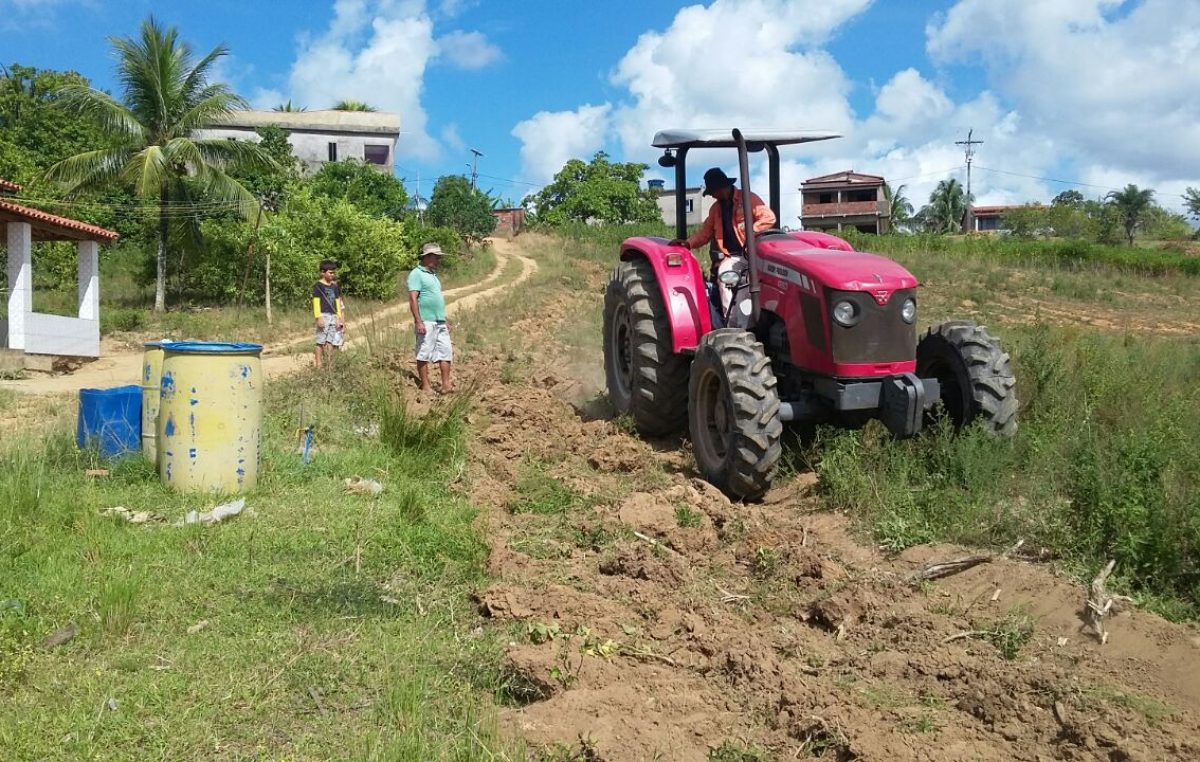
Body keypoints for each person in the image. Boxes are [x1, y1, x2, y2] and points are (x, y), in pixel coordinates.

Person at [669, 167, 776, 325]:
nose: (712, 195)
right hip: (733, 257)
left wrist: (750, 231)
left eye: (713, 191)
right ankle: (734, 326)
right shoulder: (716, 209)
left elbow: (769, 218)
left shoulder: (748, 199)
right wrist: (688, 243)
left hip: (754, 253)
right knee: (726, 277)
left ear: (721, 188)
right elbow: (705, 233)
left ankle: (760, 321)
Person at [407, 242, 454, 393]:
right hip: (426, 321)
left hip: (439, 321)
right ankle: (426, 386)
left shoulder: (434, 275)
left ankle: (446, 385)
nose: (439, 260)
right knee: (424, 352)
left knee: (445, 351)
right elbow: (413, 299)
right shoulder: (416, 274)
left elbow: (436, 299)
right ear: (427, 257)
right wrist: (418, 321)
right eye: (437, 257)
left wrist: (444, 319)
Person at [312, 259, 345, 368]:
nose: (332, 274)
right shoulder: (318, 285)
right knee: (320, 342)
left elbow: (337, 302)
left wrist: (338, 317)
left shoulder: (334, 286)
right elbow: (316, 302)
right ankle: (318, 364)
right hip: (323, 315)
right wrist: (318, 317)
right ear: (322, 272)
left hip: (333, 316)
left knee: (330, 342)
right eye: (330, 272)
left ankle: (330, 365)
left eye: (333, 272)